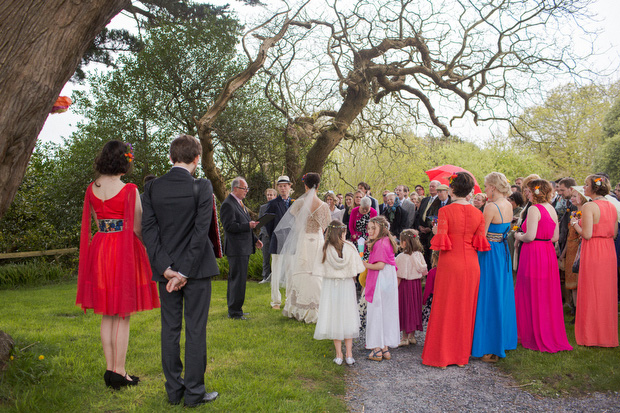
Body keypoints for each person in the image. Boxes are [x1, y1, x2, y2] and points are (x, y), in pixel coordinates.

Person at [142, 134, 219, 406]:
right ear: (197, 159)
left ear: (171, 157)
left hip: (167, 274)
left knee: (170, 329)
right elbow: (201, 234)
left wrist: (166, 270)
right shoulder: (203, 185)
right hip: (195, 271)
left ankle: (174, 392)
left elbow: (149, 233)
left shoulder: (151, 188)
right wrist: (183, 272)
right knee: (195, 329)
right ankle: (194, 393)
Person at [77, 140, 160, 390]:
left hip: (101, 248)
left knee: (107, 314)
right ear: (124, 160)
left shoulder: (92, 188)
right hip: (122, 251)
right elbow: (137, 227)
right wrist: (151, 246)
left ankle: (110, 369)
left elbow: (97, 222)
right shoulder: (129, 189)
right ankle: (119, 372)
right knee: (122, 314)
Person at [421, 172, 490, 369]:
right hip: (471, 263)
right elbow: (479, 242)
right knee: (465, 308)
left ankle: (442, 356)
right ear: (470, 191)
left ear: (452, 189)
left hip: (451, 261)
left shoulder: (446, 211)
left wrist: (435, 231)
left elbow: (441, 241)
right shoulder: (478, 213)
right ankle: (460, 356)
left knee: (446, 307)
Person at [514, 179, 572, 353]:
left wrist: (518, 235)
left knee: (529, 291)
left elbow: (530, 236)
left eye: (529, 191)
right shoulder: (551, 209)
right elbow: (555, 237)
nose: (526, 193)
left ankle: (529, 332)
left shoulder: (533, 209)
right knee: (545, 293)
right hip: (547, 252)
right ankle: (545, 330)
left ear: (535, 192)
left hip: (533, 252)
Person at [471, 172, 517, 363]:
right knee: (501, 294)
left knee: (487, 296)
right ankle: (502, 340)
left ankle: (488, 345)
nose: (485, 190)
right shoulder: (508, 204)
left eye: (487, 186)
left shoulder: (491, 207)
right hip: (502, 251)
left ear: (493, 187)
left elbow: (481, 235)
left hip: (489, 253)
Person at [572, 175, 618, 347]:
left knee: (591, 291)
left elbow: (587, 234)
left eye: (585, 185)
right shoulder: (612, 206)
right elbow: (614, 233)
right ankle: (606, 335)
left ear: (593, 188)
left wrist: (575, 224)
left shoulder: (589, 206)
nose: (583, 188)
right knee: (606, 293)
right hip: (608, 251)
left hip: (594, 251)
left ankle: (590, 335)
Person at [279, 172, 331, 323]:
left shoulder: (299, 203)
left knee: (301, 271)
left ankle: (298, 307)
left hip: (303, 240)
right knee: (316, 272)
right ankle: (316, 306)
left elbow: (296, 225)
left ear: (305, 185)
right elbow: (324, 228)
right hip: (316, 240)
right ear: (318, 185)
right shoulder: (324, 206)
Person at [314, 221, 365, 366]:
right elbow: (357, 267)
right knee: (345, 316)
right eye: (344, 232)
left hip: (332, 285)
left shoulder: (326, 248)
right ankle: (347, 353)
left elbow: (319, 268)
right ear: (340, 233)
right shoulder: (347, 247)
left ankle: (341, 354)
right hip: (345, 284)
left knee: (336, 316)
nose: (346, 235)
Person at [220, 177, 263, 320]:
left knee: (239, 280)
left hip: (243, 248)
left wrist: (255, 240)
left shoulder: (239, 203)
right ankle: (234, 312)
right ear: (236, 189)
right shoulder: (228, 204)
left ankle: (236, 309)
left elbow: (245, 224)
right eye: (244, 189)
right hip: (236, 249)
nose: (246, 191)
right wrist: (248, 226)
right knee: (237, 281)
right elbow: (229, 226)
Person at [363, 216, 400, 361]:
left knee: (377, 312)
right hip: (388, 281)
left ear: (382, 229)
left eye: (373, 228)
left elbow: (380, 265)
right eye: (369, 228)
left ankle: (377, 349)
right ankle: (385, 348)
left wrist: (364, 265)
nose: (370, 231)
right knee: (385, 312)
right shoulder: (387, 241)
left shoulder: (380, 243)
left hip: (380, 281)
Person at [265, 175, 294, 309]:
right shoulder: (272, 204)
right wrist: (275, 236)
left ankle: (289, 299)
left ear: (289, 186)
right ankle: (275, 301)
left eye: (285, 186)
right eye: (280, 186)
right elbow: (268, 224)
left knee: (290, 271)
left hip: (292, 241)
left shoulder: (294, 203)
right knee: (276, 272)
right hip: (277, 241)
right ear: (278, 187)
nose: (283, 188)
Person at [395, 229, 427, 347]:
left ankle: (404, 337)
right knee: (414, 307)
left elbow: (397, 274)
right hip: (416, 285)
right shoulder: (419, 255)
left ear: (404, 243)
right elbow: (424, 271)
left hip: (404, 286)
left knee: (405, 308)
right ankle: (412, 336)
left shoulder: (401, 257)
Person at [561, 186, 589, 315]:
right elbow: (569, 235)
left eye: (574, 196)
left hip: (580, 248)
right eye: (571, 196)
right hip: (571, 248)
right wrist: (563, 252)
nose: (571, 198)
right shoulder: (573, 212)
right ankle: (574, 307)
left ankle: (581, 309)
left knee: (581, 279)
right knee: (571, 278)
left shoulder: (586, 213)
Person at [414, 180, 440, 268]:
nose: (431, 188)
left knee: (430, 257)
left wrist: (430, 228)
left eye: (433, 186)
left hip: (432, 232)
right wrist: (419, 226)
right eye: (430, 186)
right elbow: (418, 214)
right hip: (422, 232)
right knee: (422, 255)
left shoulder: (439, 201)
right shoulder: (425, 200)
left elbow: (436, 216)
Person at [259, 188, 277, 284]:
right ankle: (265, 277)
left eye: (271, 195)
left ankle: (275, 278)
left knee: (276, 259)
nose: (269, 196)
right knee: (265, 258)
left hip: (275, 237)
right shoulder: (262, 208)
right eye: (268, 195)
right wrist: (264, 234)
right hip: (265, 237)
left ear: (275, 196)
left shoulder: (278, 207)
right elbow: (260, 223)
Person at [421, 250, 439, 325]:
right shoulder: (448, 272)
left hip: (433, 298)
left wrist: (424, 301)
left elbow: (428, 288)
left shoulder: (432, 272)